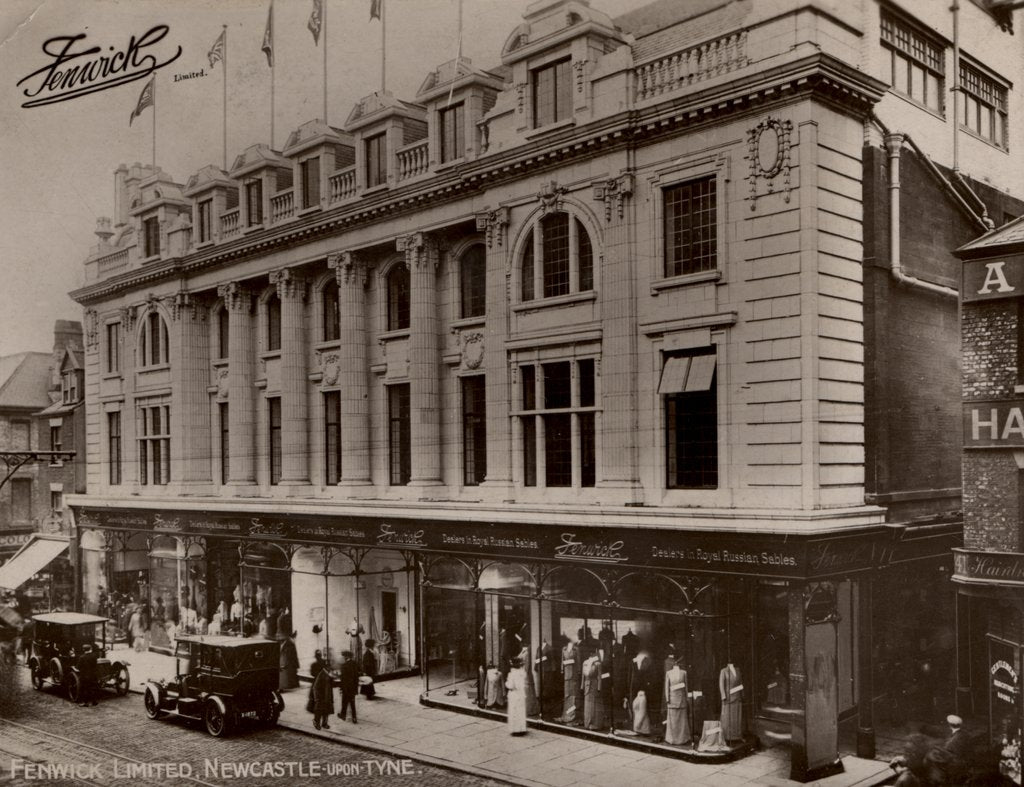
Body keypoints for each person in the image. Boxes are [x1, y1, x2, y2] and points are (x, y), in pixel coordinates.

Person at [506, 657, 528, 735]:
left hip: (514, 694)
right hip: (521, 694)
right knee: (521, 711)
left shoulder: (511, 674)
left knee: (514, 711)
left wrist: (507, 684)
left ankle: (515, 729)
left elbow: (511, 685)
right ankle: (522, 728)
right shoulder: (522, 673)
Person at [309, 659, 333, 730]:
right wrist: (318, 698)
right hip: (320, 696)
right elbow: (315, 687)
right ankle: (316, 722)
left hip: (326, 695)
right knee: (319, 709)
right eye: (329, 667)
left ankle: (324, 723)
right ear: (326, 667)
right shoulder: (322, 674)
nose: (330, 668)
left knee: (326, 709)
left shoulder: (327, 673)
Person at [338, 649, 359, 723]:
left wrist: (341, 688)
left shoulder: (344, 665)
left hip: (346, 688)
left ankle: (343, 715)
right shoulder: (354, 663)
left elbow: (343, 678)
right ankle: (354, 718)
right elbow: (356, 676)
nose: (343, 658)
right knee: (352, 704)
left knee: (344, 702)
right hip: (353, 687)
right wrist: (356, 688)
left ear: (346, 657)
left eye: (344, 656)